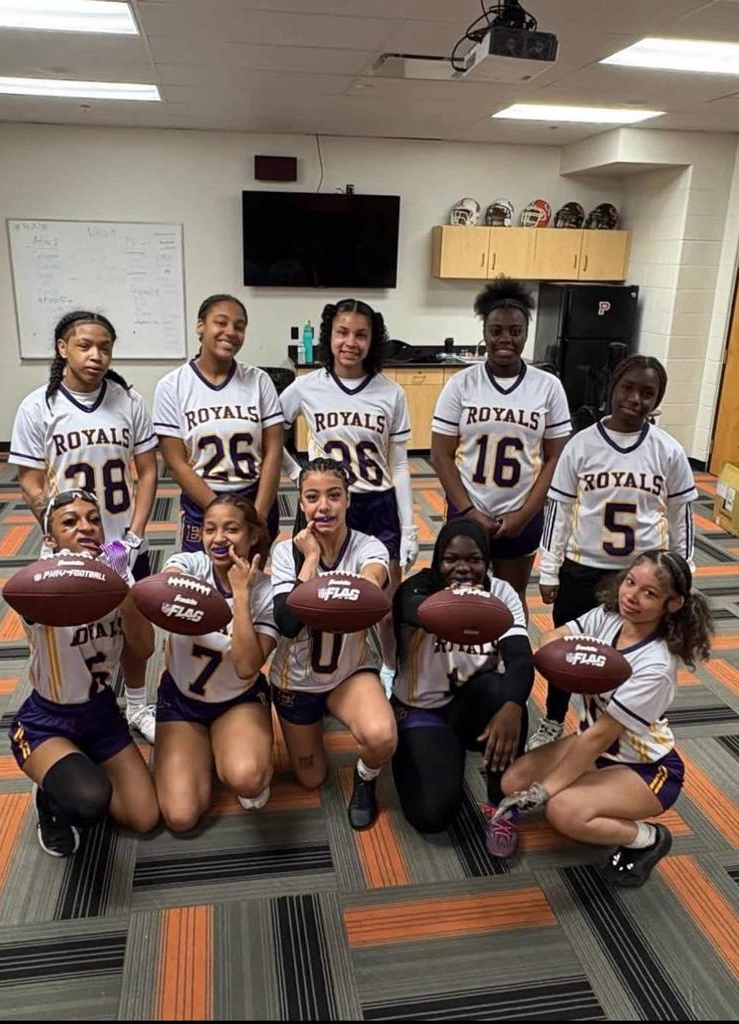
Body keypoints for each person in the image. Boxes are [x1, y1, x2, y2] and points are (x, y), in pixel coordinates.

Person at [496, 550, 713, 884]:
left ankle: (648, 838)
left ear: (672, 604)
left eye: (649, 593)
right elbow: (551, 639)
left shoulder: (656, 665)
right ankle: (592, 791)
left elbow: (601, 736)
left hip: (646, 768)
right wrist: (572, 660)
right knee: (512, 781)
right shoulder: (609, 616)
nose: (632, 597)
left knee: (561, 809)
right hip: (594, 746)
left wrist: (546, 790)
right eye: (630, 582)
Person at [529, 355, 698, 750]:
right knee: (566, 653)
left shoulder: (668, 451)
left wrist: (684, 573)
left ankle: (619, 725)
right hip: (583, 567)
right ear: (613, 388)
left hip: (641, 577)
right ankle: (554, 719)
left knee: (636, 654)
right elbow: (558, 510)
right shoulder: (581, 444)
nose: (635, 398)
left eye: (647, 393)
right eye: (628, 388)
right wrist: (550, 568)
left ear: (657, 400)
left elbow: (681, 518)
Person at [9, 311, 159, 743]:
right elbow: (29, 478)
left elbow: (147, 472)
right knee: (64, 635)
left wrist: (133, 534)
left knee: (133, 633)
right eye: (85, 346)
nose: (96, 356)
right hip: (67, 545)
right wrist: (54, 529)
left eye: (105, 348)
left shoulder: (128, 401)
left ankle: (135, 705)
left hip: (121, 543)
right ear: (62, 349)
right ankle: (69, 707)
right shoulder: (38, 406)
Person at [7, 489, 160, 857]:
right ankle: (49, 798)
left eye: (94, 519)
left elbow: (144, 650)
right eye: (70, 522)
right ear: (50, 539)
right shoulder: (39, 584)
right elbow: (22, 594)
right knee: (89, 802)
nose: (86, 527)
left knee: (144, 817)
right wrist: (74, 567)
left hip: (101, 713)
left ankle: (74, 765)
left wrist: (123, 589)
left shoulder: (115, 579)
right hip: (47, 720)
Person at [279, 299, 416, 692]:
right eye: (342, 332)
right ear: (329, 336)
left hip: (376, 503)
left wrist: (409, 528)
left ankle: (390, 673)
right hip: (326, 508)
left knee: (384, 607)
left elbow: (402, 465)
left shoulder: (391, 393)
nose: (350, 342)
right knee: (316, 597)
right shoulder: (306, 386)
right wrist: (297, 475)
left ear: (373, 340)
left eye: (361, 334)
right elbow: (272, 432)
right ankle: (314, 674)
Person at [391, 519, 534, 856]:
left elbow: (521, 660)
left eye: (474, 559)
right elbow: (413, 611)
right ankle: (429, 752)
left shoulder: (502, 593)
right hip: (421, 708)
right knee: (431, 815)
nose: (463, 568)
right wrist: (460, 603)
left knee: (508, 696)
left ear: (487, 561)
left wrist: (513, 706)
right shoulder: (417, 588)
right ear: (438, 560)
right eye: (451, 559)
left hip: (472, 704)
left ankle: (502, 804)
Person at [270, 458, 397, 830]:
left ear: (347, 501)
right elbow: (288, 624)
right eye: (312, 497)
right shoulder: (285, 552)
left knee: (381, 736)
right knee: (311, 778)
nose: (323, 506)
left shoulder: (367, 546)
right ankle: (315, 716)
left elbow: (372, 589)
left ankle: (365, 778)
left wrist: (362, 584)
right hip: (296, 680)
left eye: (333, 496)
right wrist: (310, 559)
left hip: (348, 672)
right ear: (301, 503)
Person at [430, 277, 571, 608]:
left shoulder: (548, 387)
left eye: (515, 331)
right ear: (484, 332)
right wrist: (467, 510)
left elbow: (556, 459)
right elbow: (440, 454)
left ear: (525, 333)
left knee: (511, 599)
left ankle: (510, 660)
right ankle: (461, 660)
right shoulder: (461, 384)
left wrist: (524, 514)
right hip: (468, 508)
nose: (505, 338)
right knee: (459, 596)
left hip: (521, 510)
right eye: (496, 331)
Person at [153, 495, 278, 832]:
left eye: (231, 529)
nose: (218, 538)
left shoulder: (266, 591)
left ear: (252, 536)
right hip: (182, 697)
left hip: (236, 698)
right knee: (180, 817)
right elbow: (163, 589)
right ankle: (202, 749)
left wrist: (240, 596)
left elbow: (247, 667)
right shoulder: (189, 565)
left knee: (247, 779)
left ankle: (235, 746)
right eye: (210, 529)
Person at [153, 294, 283, 556]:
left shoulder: (259, 380)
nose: (231, 332)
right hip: (203, 500)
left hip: (255, 498)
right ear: (201, 326)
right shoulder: (172, 386)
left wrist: (256, 515)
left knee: (253, 579)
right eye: (220, 323)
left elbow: (274, 452)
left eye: (239, 326)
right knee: (203, 586)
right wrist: (220, 514)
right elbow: (176, 463)